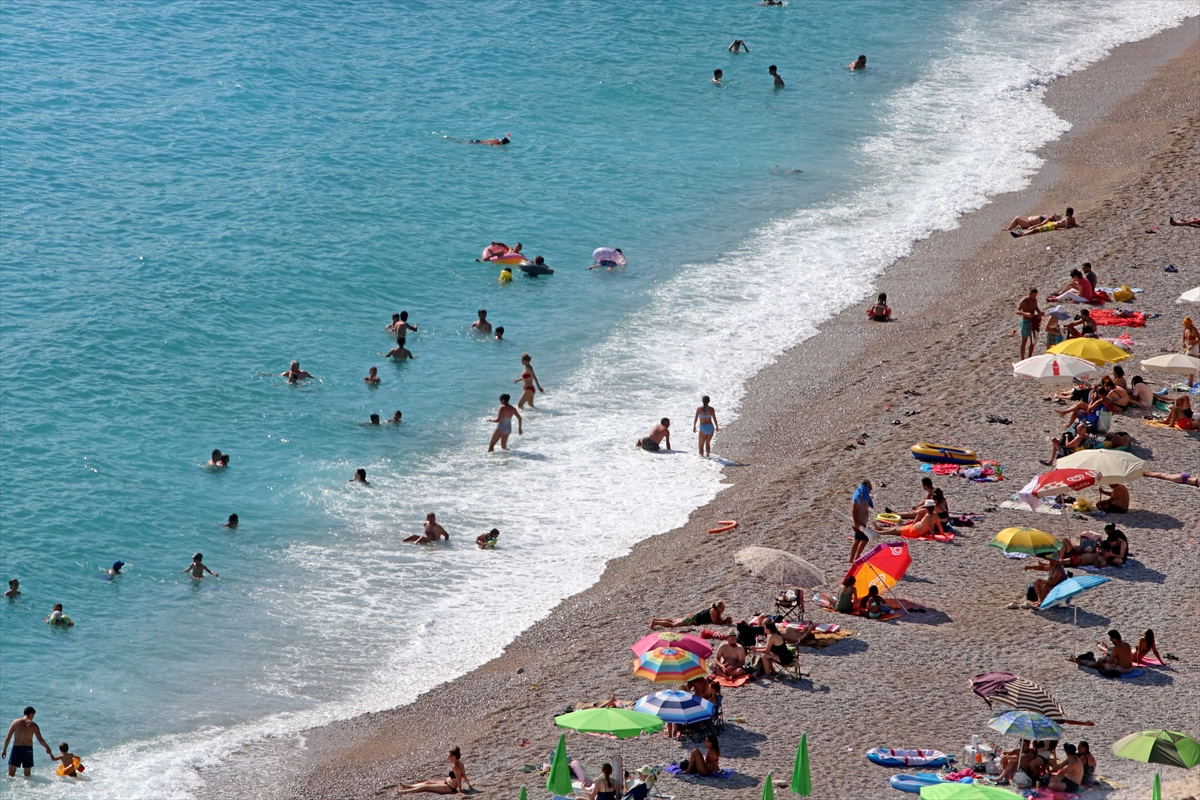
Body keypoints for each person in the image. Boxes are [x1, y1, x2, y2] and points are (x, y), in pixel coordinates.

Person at [395, 746, 471, 794]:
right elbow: (463, 775)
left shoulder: (456, 767)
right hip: (446, 782)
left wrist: (460, 791)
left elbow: (459, 779)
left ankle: (404, 791)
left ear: (454, 756)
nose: (448, 757)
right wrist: (469, 784)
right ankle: (408, 786)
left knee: (426, 787)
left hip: (449, 787)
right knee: (427, 782)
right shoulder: (460, 763)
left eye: (449, 756)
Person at [3, 707, 52, 777]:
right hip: (28, 750)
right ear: (31, 714)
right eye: (33, 715)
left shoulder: (15, 722)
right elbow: (40, 740)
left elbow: (8, 737)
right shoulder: (34, 725)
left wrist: (4, 750)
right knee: (27, 775)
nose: (33, 717)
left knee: (10, 774)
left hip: (16, 749)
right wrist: (47, 748)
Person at [650, 599, 731, 630]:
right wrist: (725, 621)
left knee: (673, 620)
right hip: (692, 619)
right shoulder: (713, 611)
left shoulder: (715, 611)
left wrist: (725, 620)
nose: (723, 610)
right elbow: (715, 622)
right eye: (723, 608)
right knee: (673, 624)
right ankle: (656, 622)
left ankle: (656, 620)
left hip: (692, 617)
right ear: (719, 607)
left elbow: (719, 620)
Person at [849, 479, 873, 563]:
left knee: (857, 539)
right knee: (865, 539)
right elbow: (854, 509)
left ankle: (852, 559)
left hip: (862, 522)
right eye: (870, 487)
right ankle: (857, 557)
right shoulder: (859, 495)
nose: (871, 489)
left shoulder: (865, 495)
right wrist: (856, 521)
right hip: (858, 522)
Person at [1012, 207, 1076, 236]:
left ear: (1067, 213)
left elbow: (1066, 228)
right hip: (1051, 224)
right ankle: (1022, 233)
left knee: (1036, 230)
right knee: (1036, 229)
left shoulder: (1068, 218)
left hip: (1051, 226)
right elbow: (1073, 225)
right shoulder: (1073, 218)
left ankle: (1020, 235)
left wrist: (1058, 228)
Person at [1017, 288, 1041, 360]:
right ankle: (1022, 358)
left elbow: (1036, 308)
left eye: (1035, 296)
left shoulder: (1035, 300)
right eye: (1033, 296)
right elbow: (1017, 311)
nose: (1034, 297)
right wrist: (1025, 313)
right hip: (1025, 321)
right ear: (1029, 294)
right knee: (1024, 341)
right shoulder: (1025, 300)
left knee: (1032, 341)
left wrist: (1040, 312)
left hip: (1033, 321)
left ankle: (1029, 357)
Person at [1183, 317, 1199, 386]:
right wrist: (1183, 343)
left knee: (1192, 365)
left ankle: (1191, 382)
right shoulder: (1186, 328)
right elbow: (1183, 336)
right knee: (1188, 364)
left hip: (1194, 347)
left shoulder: (1194, 329)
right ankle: (1190, 381)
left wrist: (1193, 345)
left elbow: (1199, 339)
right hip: (1188, 347)